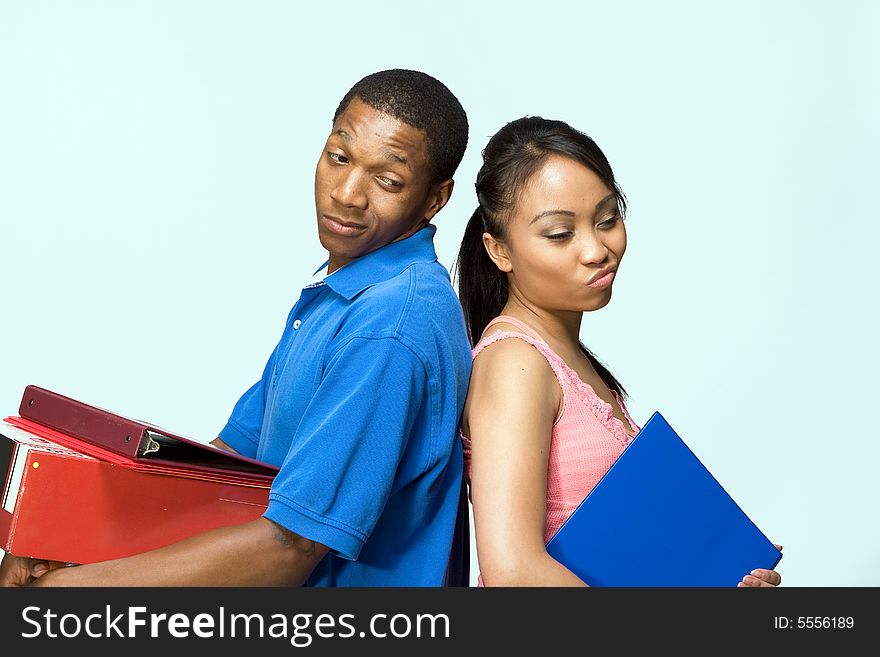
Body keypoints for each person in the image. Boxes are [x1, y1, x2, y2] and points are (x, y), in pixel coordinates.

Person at [1, 69, 473, 587]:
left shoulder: (389, 326)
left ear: (434, 198)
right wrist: (59, 538)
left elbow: (292, 546)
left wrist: (64, 590)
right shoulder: (343, 295)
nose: (347, 194)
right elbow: (227, 469)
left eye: (387, 181)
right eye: (339, 157)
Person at [455, 116, 782, 587]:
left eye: (607, 219)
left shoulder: (569, 360)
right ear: (499, 250)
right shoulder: (515, 363)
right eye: (560, 234)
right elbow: (512, 573)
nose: (596, 249)